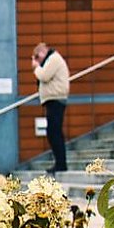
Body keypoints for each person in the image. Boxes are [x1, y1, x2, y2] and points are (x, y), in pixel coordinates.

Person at [32, 42, 70, 173]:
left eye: (37, 57)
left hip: (56, 99)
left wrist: (36, 67)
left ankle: (61, 163)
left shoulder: (53, 58)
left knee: (54, 132)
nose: (37, 61)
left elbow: (44, 76)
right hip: (52, 100)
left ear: (42, 52)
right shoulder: (52, 59)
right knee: (53, 132)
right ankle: (59, 163)